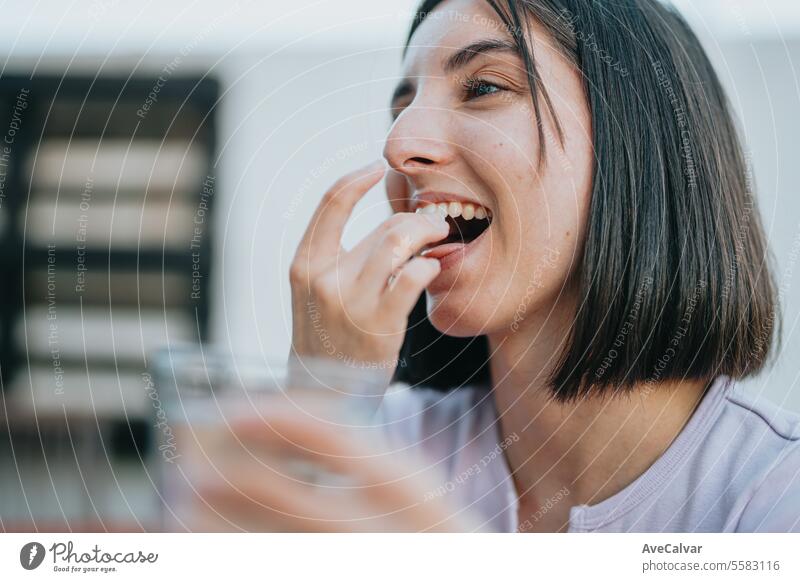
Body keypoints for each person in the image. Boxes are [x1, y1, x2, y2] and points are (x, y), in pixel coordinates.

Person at [197, 0, 800, 532]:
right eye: (401, 106)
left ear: (639, 142)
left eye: (484, 87)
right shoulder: (373, 445)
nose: (399, 145)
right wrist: (323, 401)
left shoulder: (776, 498)